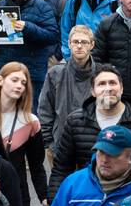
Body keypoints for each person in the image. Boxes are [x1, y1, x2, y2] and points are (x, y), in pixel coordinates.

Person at [50, 65, 131, 200]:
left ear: (121, 88)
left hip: (129, 199)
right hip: (86, 198)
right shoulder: (75, 121)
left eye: (112, 83)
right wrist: (54, 200)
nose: (108, 88)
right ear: (93, 91)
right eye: (101, 84)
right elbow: (62, 167)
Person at [0, 63, 47, 206]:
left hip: (16, 196)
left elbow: (37, 165)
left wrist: (44, 195)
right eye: (15, 80)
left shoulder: (30, 122)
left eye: (23, 83)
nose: (19, 86)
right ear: (0, 80)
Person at [0, 0, 59, 106]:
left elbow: (52, 36)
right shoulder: (3, 4)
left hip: (30, 74)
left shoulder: (42, 8)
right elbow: (0, 33)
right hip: (4, 69)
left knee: (27, 115)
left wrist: (27, 27)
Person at [38, 25, 98, 156]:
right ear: (69, 44)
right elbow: (45, 109)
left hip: (93, 147)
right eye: (76, 42)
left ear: (92, 45)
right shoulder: (55, 73)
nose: (79, 46)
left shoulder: (101, 74)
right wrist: (49, 142)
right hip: (60, 146)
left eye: (84, 42)